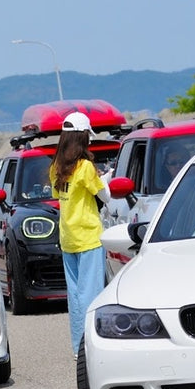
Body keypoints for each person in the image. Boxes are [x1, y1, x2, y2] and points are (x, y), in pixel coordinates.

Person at [49, 112, 111, 359]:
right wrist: (106, 178)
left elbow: (59, 197)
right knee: (92, 293)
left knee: (74, 296)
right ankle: (93, 346)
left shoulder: (56, 167)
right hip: (88, 237)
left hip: (68, 239)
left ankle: (79, 348)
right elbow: (104, 196)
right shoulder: (85, 167)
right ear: (83, 136)